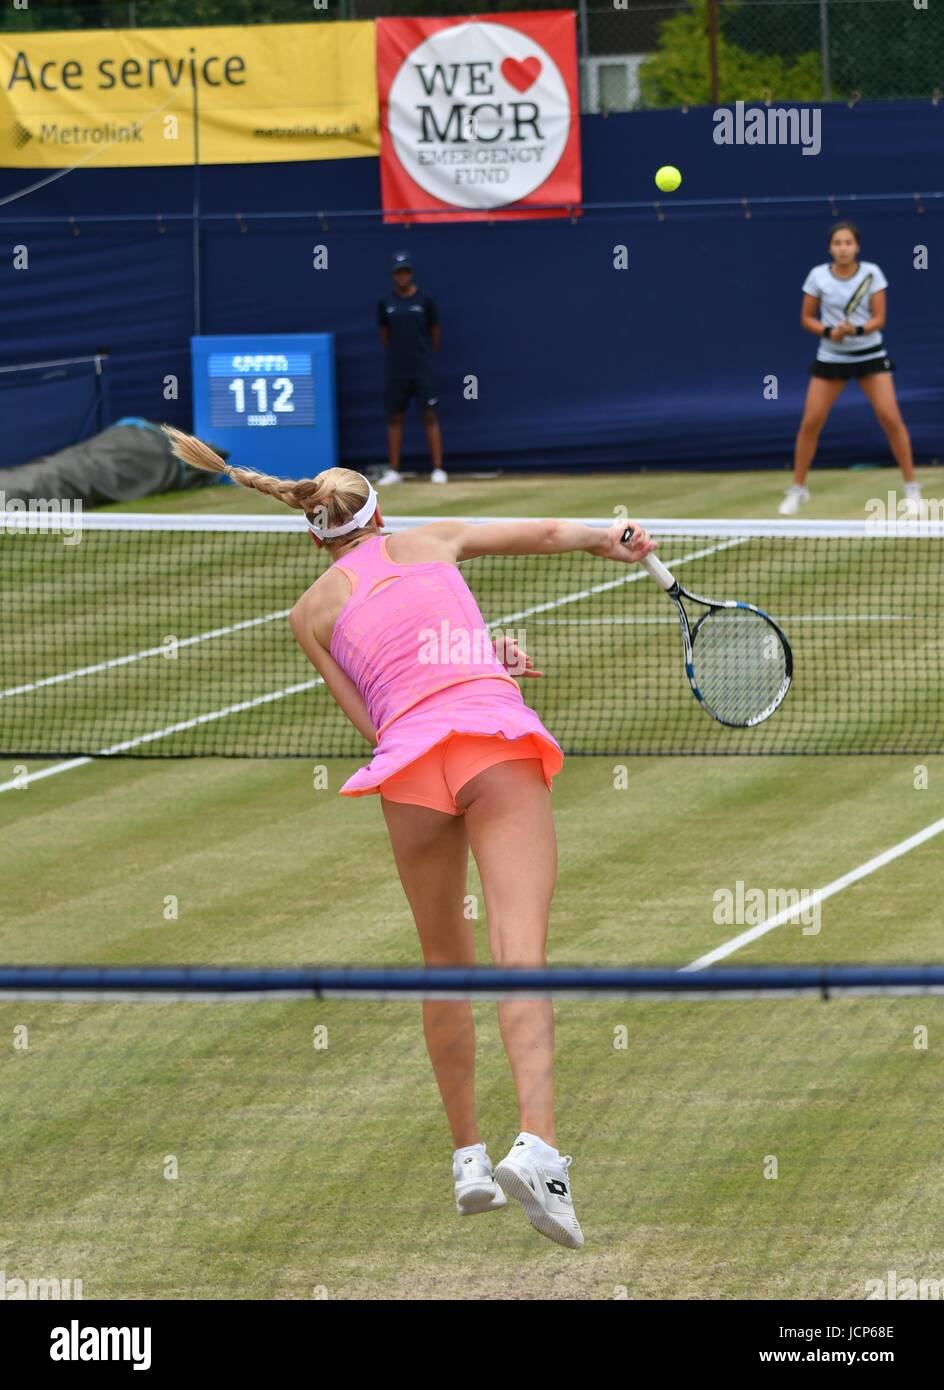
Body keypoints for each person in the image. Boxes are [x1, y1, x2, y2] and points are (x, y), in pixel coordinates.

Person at [161, 426, 657, 1250]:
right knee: (520, 951)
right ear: (380, 513)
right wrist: (615, 537)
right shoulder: (432, 539)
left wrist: (475, 655)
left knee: (444, 961)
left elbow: (381, 718)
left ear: (312, 529)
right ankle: (538, 1148)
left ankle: (468, 1157)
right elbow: (546, 535)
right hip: (492, 745)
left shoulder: (308, 615)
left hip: (412, 773)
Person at [781, 222, 921, 518]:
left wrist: (855, 329)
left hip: (870, 355)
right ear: (830, 247)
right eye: (837, 243)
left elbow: (879, 319)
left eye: (848, 243)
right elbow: (807, 319)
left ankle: (912, 489)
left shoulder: (872, 273)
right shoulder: (817, 276)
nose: (843, 248)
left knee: (890, 417)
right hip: (831, 357)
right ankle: (797, 490)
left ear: (856, 247)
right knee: (811, 422)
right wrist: (829, 331)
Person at [377, 251, 447, 486]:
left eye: (406, 272)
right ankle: (394, 471)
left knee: (429, 415)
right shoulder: (385, 303)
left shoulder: (425, 300)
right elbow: (385, 335)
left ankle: (438, 469)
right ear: (393, 276)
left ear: (411, 274)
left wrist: (424, 355)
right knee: (395, 418)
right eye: (398, 272)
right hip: (396, 370)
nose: (402, 276)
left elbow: (434, 332)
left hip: (422, 368)